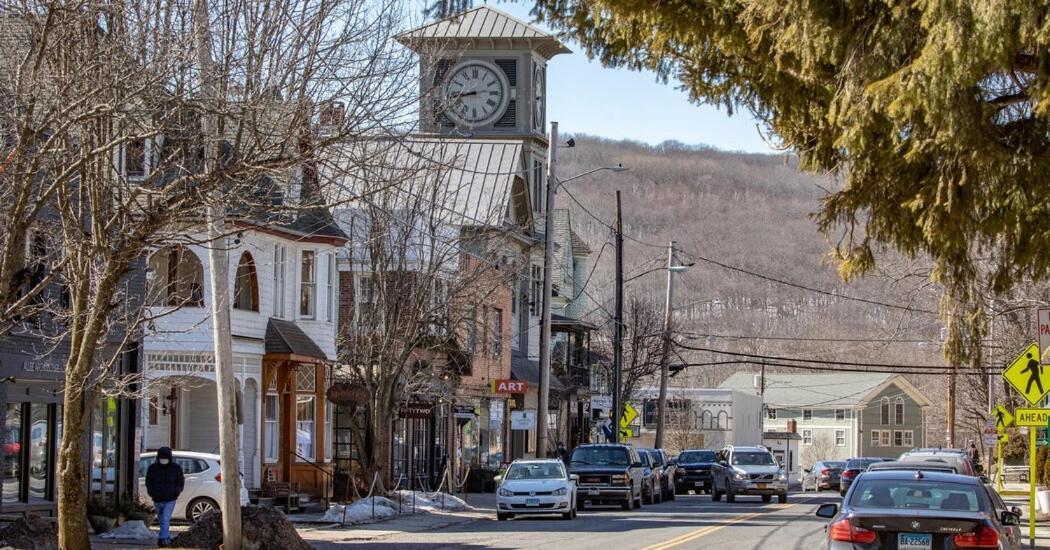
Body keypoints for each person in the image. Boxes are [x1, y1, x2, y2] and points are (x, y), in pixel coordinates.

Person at [145, 447, 184, 547]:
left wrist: (177, 491)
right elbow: (148, 481)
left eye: (165, 457)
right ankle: (165, 537)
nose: (163, 459)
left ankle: (163, 539)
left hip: (170, 499)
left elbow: (180, 481)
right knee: (162, 520)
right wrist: (151, 492)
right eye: (162, 457)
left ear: (169, 457)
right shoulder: (153, 468)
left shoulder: (176, 468)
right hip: (157, 499)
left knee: (165, 519)